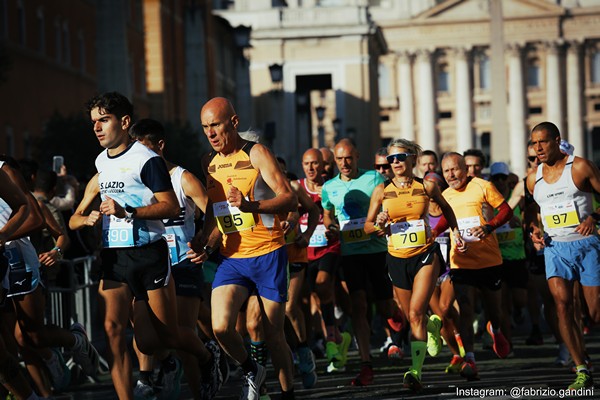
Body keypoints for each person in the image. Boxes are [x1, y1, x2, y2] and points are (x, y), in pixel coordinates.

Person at [69, 92, 223, 400]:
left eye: (104, 120)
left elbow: (169, 207)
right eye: (94, 123)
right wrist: (89, 219)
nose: (97, 128)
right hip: (115, 257)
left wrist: (129, 212)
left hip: (150, 254)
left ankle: (208, 357)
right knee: (113, 330)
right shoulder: (101, 161)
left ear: (124, 122)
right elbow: (77, 216)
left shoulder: (146, 159)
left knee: (157, 339)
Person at [188, 97, 298, 400]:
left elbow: (289, 199)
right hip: (233, 258)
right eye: (205, 127)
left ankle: (288, 394)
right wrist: (205, 243)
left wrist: (250, 205)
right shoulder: (207, 162)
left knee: (273, 332)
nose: (210, 133)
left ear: (233, 123)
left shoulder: (257, 153)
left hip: (268, 253)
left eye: (215, 125)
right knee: (220, 326)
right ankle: (252, 370)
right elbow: (216, 212)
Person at [130, 118, 225, 400]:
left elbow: (216, 212)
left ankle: (202, 390)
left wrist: (207, 246)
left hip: (183, 263)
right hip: (150, 265)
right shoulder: (136, 179)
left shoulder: (182, 178)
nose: (140, 157)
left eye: (144, 149)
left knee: (182, 338)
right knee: (147, 339)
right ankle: (177, 359)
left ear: (160, 146)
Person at [364, 139, 465, 392]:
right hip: (397, 258)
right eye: (391, 159)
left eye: (399, 157)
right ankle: (433, 325)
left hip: (425, 255)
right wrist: (380, 223)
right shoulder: (381, 190)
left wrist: (456, 232)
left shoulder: (427, 186)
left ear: (411, 159)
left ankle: (416, 371)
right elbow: (368, 226)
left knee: (414, 314)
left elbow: (447, 209)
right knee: (412, 316)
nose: (395, 163)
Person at [1, 157, 99, 396]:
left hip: (20, 261)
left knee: (31, 336)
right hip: (1, 263)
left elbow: (37, 220)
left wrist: (55, 251)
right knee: (13, 342)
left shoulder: (7, 174)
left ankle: (75, 340)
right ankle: (41, 394)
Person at [525, 121, 600, 390]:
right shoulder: (534, 177)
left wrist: (593, 217)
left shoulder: (580, 167)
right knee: (561, 306)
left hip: (587, 244)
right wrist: (534, 230)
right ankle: (581, 368)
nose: (538, 148)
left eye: (543, 142)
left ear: (557, 140)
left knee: (594, 313)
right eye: (534, 143)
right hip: (555, 249)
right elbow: (533, 211)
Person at [321, 138, 394, 386]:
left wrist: (384, 219)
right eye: (339, 159)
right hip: (351, 254)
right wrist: (330, 228)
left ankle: (401, 323)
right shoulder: (329, 186)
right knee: (358, 306)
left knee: (386, 309)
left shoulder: (374, 178)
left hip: (377, 251)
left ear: (357, 157)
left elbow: (389, 205)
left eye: (348, 158)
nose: (344, 163)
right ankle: (366, 364)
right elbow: (328, 214)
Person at [435, 152, 513, 381]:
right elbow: (444, 220)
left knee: (494, 311)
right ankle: (470, 358)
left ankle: (495, 330)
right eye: (446, 171)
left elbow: (506, 210)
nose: (451, 175)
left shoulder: (482, 186)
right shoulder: (445, 195)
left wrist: (489, 227)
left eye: (455, 169)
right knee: (466, 309)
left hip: (489, 261)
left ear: (465, 169)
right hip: (460, 262)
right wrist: (433, 233)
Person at [298, 148, 351, 375]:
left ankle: (330, 340)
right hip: (305, 250)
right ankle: (337, 337)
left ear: (323, 165)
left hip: (330, 247)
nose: (311, 168)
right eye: (306, 163)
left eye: (315, 164)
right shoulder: (297, 187)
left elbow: (342, 214)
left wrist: (334, 228)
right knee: (314, 299)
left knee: (322, 285)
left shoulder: (332, 187)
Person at [0, 166, 43, 400]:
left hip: (19, 262)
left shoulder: (3, 171)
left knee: (28, 337)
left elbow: (25, 207)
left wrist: (4, 235)